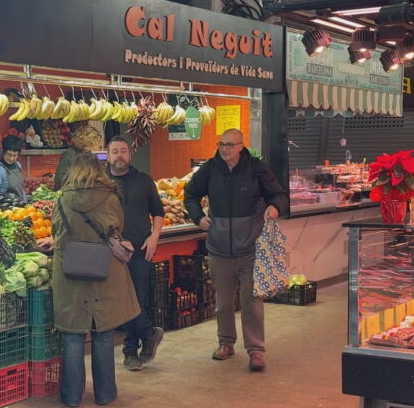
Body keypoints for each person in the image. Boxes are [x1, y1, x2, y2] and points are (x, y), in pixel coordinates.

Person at [183, 129, 288, 372]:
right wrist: (198, 217)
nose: (225, 149)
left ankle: (256, 350)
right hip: (218, 247)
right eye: (221, 144)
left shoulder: (256, 168)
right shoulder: (210, 169)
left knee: (251, 300)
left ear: (241, 146)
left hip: (250, 246)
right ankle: (226, 343)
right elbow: (190, 194)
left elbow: (278, 194)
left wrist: (274, 207)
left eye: (230, 145)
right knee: (222, 302)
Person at [51, 153, 140, 406]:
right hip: (104, 271)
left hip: (70, 272)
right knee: (102, 334)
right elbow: (116, 229)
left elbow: (56, 231)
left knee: (72, 334)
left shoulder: (63, 199)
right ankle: (105, 395)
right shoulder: (111, 198)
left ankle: (71, 397)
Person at [105, 136, 165, 371]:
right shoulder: (101, 182)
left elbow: (158, 212)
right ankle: (150, 334)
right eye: (114, 151)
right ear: (108, 156)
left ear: (129, 155)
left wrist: (155, 236)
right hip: (111, 250)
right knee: (121, 302)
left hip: (140, 249)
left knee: (136, 301)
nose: (119, 155)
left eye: (123, 151)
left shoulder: (144, 180)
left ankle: (130, 352)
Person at [54, 125, 103, 189]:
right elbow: (59, 178)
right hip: (71, 192)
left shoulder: (88, 154)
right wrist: (79, 181)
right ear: (89, 141)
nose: (96, 146)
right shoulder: (70, 154)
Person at [0, 135, 26, 203]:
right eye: (9, 154)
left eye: (15, 155)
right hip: (4, 209)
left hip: (19, 208)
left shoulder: (18, 165)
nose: (11, 159)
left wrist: (26, 203)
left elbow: (21, 190)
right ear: (4, 152)